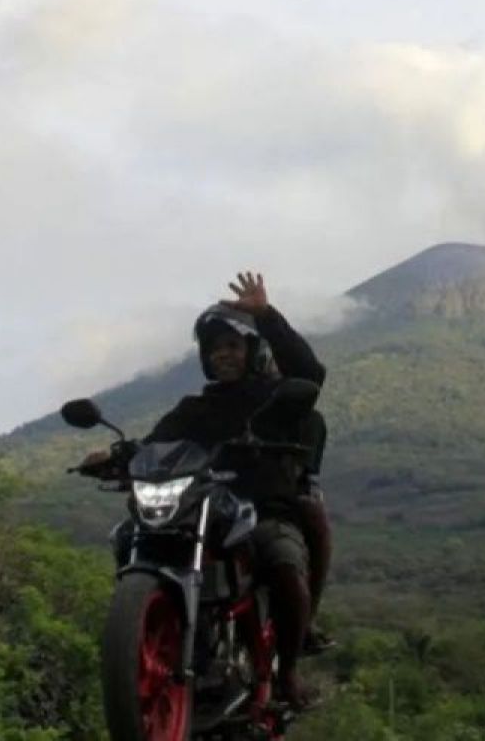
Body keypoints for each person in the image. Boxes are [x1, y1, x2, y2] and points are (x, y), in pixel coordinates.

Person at [83, 272, 329, 708]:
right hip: (204, 508)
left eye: (232, 346)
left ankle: (288, 671)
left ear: (251, 350)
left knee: (285, 562)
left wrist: (267, 316)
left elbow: (309, 373)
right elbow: (155, 443)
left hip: (262, 509)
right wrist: (115, 456)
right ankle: (150, 632)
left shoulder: (276, 396)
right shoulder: (195, 408)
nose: (224, 355)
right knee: (129, 535)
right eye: (215, 349)